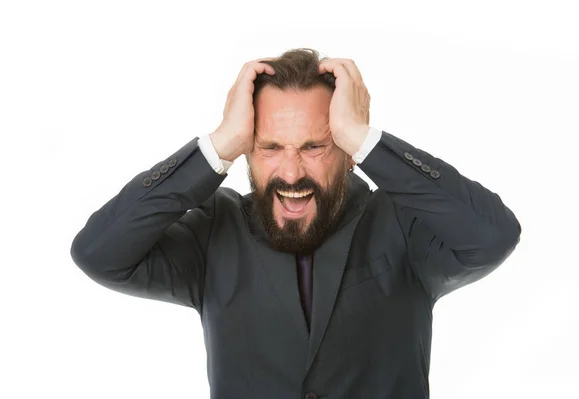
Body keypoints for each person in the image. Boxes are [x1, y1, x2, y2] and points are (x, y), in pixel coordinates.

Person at [70, 48, 521, 399]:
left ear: (347, 153)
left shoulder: (400, 222)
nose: (290, 173)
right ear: (247, 150)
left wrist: (367, 140)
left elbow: (492, 235)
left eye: (314, 147)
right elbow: (99, 253)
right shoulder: (214, 229)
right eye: (269, 148)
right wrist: (218, 146)